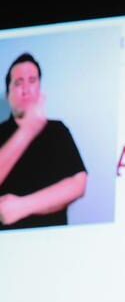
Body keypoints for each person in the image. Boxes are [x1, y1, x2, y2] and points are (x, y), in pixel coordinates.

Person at [0, 53, 88, 230]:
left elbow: (78, 184)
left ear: (40, 88)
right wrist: (28, 130)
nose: (26, 89)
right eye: (18, 83)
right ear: (8, 94)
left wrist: (22, 206)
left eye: (32, 81)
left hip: (52, 240)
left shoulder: (57, 131)